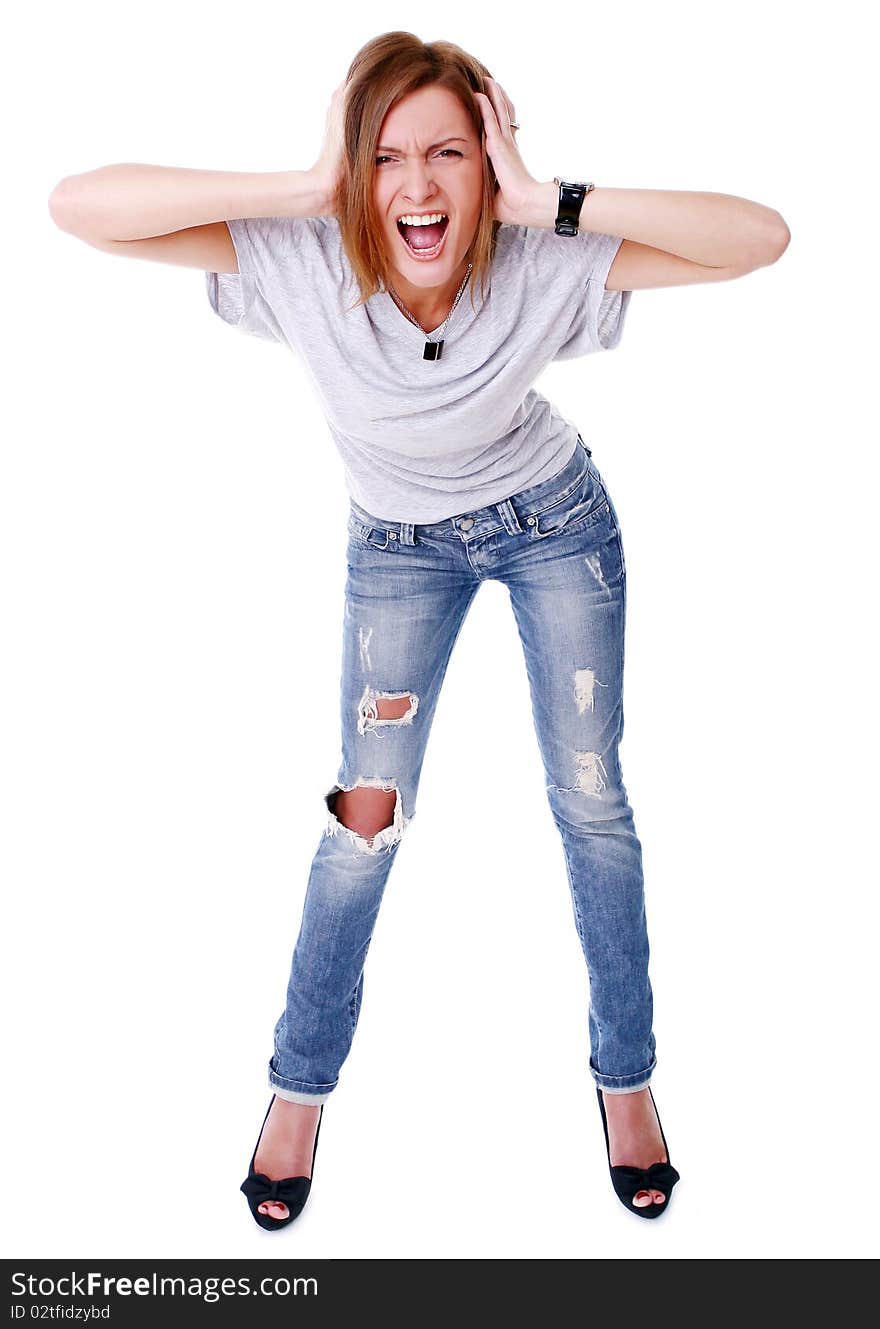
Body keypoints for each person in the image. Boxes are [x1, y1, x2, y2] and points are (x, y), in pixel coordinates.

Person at [48, 29, 790, 1229]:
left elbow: (761, 239)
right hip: (397, 547)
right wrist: (308, 184)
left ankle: (627, 1079)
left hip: (553, 521)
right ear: (357, 171)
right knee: (365, 818)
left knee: (590, 796)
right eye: (388, 157)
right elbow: (79, 206)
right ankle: (298, 1088)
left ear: (487, 165)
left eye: (450, 152)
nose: (421, 186)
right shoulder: (302, 254)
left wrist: (550, 197)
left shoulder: (537, 251)